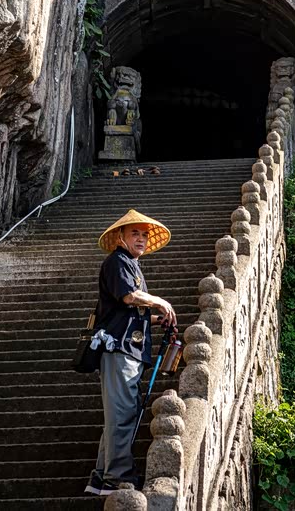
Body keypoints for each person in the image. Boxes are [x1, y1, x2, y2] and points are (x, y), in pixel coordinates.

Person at [84, 208, 177, 497]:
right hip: (119, 347)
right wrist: (159, 301)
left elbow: (127, 311)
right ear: (121, 238)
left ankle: (101, 477)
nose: (141, 238)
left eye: (144, 234)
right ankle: (117, 477)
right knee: (122, 413)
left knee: (120, 413)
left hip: (129, 347)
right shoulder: (118, 261)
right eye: (134, 233)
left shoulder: (131, 265)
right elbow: (128, 296)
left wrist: (155, 319)